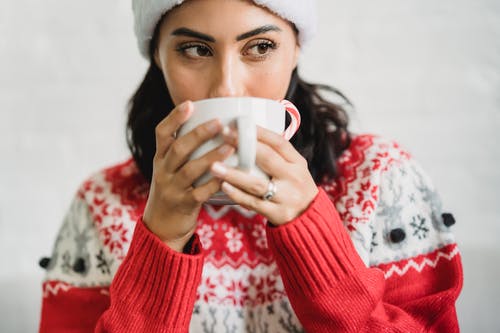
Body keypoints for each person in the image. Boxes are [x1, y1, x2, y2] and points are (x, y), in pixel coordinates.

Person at [38, 0, 463, 332]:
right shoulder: (102, 203)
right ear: (157, 56)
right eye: (194, 49)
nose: (227, 85)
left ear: (296, 47)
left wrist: (313, 235)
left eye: (260, 47)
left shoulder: (380, 179)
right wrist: (162, 239)